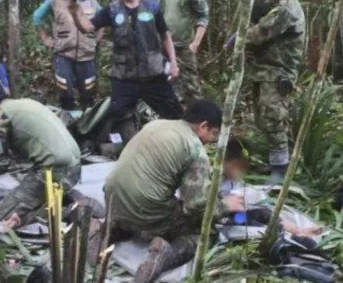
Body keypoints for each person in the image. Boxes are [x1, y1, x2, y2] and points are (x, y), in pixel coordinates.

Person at [90, 99, 244, 283]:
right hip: (145, 207)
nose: (212, 141)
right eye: (214, 134)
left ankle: (107, 231)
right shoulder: (194, 149)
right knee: (202, 233)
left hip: (113, 198)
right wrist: (225, 205)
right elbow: (195, 206)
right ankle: (163, 256)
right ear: (203, 126)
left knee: (149, 207)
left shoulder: (157, 124)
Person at [70, 0, 183, 133]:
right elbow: (88, 28)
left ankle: (180, 146)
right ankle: (124, 147)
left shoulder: (152, 7)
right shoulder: (112, 10)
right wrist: (75, 14)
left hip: (153, 74)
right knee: (117, 117)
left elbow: (165, 36)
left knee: (175, 114)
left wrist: (173, 64)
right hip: (124, 77)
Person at [0, 78, 82, 229]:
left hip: (56, 171)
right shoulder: (23, 103)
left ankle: (70, 212)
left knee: (0, 216)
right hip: (74, 166)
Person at [244, 0, 305, 182]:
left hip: (278, 73)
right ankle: (276, 163)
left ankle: (280, 171)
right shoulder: (279, 6)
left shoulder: (287, 10)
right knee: (264, 118)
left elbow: (257, 35)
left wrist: (240, 35)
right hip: (267, 71)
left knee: (273, 119)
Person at [32, 0, 103, 110]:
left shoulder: (91, 1)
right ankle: (67, 124)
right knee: (65, 93)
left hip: (87, 56)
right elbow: (37, 17)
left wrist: (96, 39)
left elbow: (103, 20)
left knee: (88, 94)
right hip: (64, 55)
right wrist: (45, 39)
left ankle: (87, 126)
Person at [221, 137, 322, 237]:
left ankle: (296, 230)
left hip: (237, 213)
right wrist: (225, 205)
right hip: (221, 219)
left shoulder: (231, 179)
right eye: (238, 166)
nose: (240, 171)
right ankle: (293, 233)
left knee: (263, 213)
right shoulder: (213, 178)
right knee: (252, 222)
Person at [156, 0, 209, 109]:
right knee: (166, 87)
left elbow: (203, 16)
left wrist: (195, 44)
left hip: (185, 47)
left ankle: (198, 126)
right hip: (163, 48)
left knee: (191, 89)